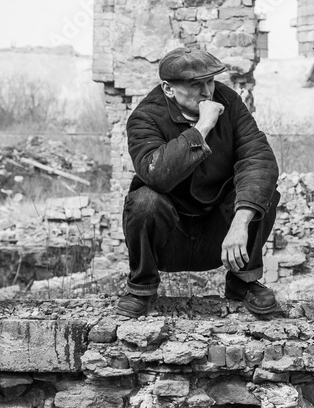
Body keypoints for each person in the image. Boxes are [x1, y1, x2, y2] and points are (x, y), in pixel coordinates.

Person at [116, 45, 280, 318]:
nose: (207, 92)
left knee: (262, 189)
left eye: (210, 82)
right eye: (195, 85)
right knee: (143, 201)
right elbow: (156, 174)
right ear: (169, 89)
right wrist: (202, 128)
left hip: (219, 233)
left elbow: (259, 158)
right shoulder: (146, 116)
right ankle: (142, 289)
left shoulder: (230, 102)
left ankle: (243, 282)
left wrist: (240, 222)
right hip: (171, 234)